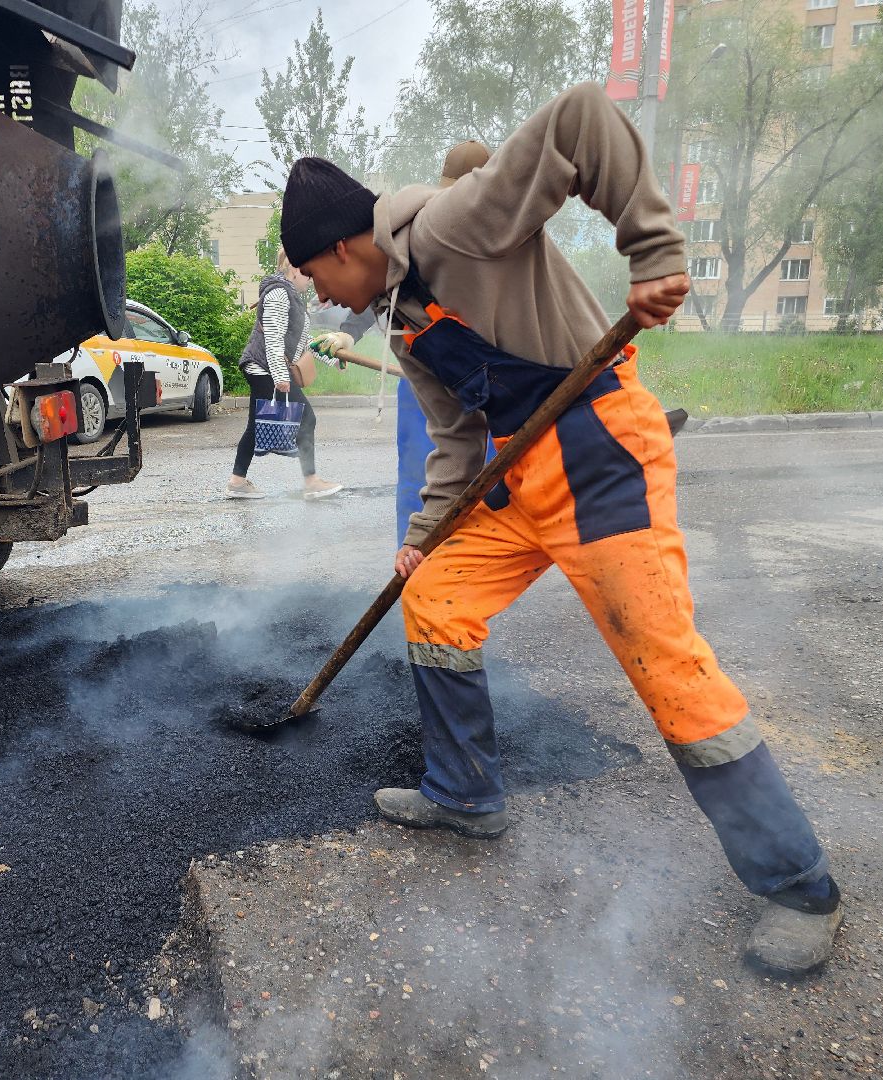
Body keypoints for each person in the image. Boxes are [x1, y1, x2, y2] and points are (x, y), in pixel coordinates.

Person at [278, 82, 842, 976]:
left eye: (313, 276)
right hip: (517, 477)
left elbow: (581, 120)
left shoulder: (453, 226)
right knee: (435, 595)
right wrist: (429, 530)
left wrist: (652, 247)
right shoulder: (404, 321)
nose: (319, 294)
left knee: (667, 666)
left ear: (343, 247)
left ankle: (799, 886)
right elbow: (459, 442)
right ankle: (465, 794)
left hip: (598, 452)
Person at [309, 138, 685, 546]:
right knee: (424, 478)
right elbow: (384, 289)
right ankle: (426, 559)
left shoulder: (501, 233)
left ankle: (467, 559)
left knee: (494, 487)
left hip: (491, 395)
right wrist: (350, 329)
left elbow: (558, 321)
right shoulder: (417, 234)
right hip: (429, 391)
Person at [226, 252, 344, 500]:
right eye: (308, 273)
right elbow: (273, 338)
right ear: (292, 268)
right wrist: (281, 376)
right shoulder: (279, 293)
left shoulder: (291, 296)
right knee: (307, 418)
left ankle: (237, 481)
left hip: (263, 367)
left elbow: (302, 343)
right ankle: (311, 482)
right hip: (264, 367)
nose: (311, 280)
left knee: (256, 426)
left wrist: (332, 358)